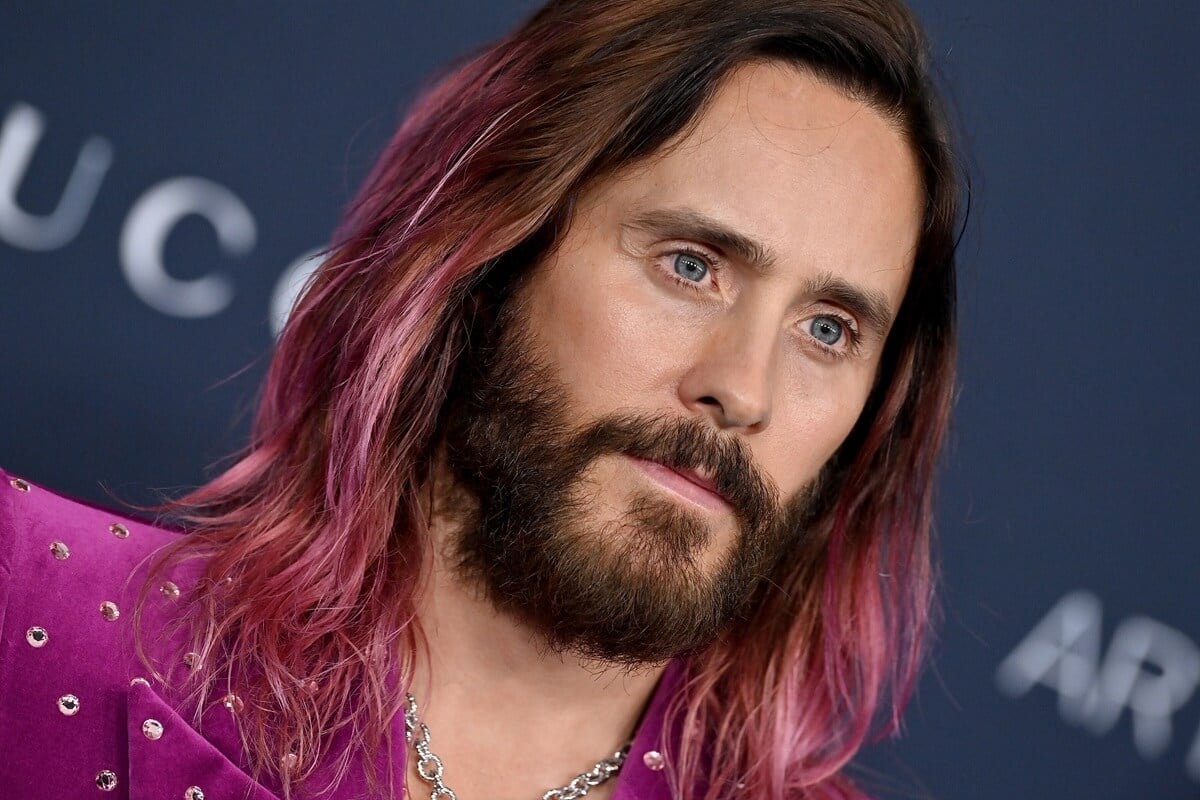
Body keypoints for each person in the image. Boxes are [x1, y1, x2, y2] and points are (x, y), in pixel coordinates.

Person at [0, 0, 961, 798]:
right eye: (690, 265)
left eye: (828, 329)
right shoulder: (30, 615)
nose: (743, 388)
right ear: (490, 252)